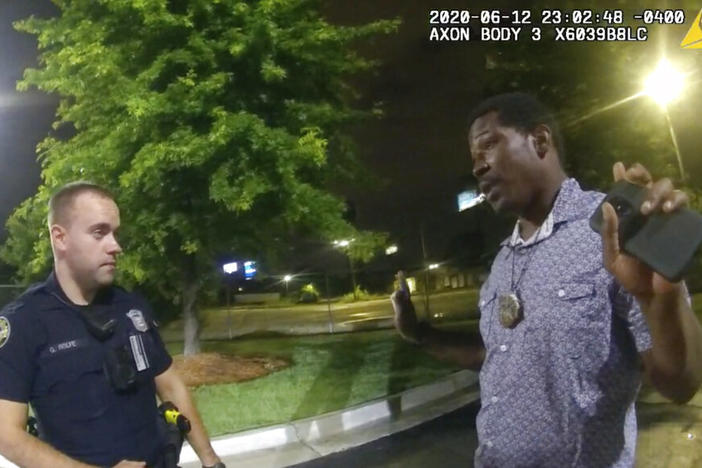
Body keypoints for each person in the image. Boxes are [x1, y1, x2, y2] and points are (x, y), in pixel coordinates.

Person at [391, 93, 702, 467]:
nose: (477, 168)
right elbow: (498, 357)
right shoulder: (503, 261)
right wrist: (418, 333)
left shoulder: (614, 232)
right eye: (473, 158)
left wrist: (660, 304)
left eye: (488, 145)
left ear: (539, 141)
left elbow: (681, 383)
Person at [0, 182, 225, 468]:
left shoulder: (131, 307)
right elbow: (6, 435)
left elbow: (171, 387)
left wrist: (211, 461)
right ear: (60, 238)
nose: (115, 246)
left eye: (115, 233)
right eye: (99, 232)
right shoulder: (24, 322)